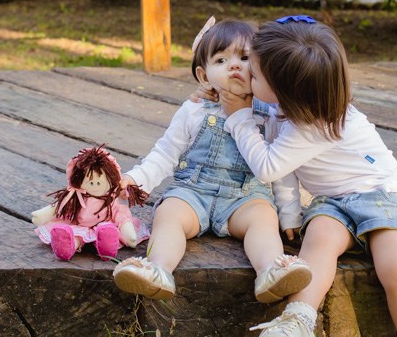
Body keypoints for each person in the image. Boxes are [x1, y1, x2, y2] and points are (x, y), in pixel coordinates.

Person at [219, 16, 397, 337]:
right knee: (319, 241)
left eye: (256, 73)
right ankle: (298, 320)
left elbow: (268, 166)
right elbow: (279, 150)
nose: (247, 73)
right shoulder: (296, 105)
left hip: (383, 196)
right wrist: (291, 215)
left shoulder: (314, 124)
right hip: (333, 202)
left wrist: (238, 118)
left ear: (287, 92)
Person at [112, 17, 312, 304]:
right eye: (221, 60)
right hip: (192, 192)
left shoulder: (268, 115)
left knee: (264, 219)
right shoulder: (193, 110)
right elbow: (165, 153)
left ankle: (271, 269)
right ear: (204, 76)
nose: (234, 66)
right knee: (168, 214)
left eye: (245, 58)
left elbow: (279, 167)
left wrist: (289, 214)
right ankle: (157, 269)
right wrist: (136, 179)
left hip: (245, 198)